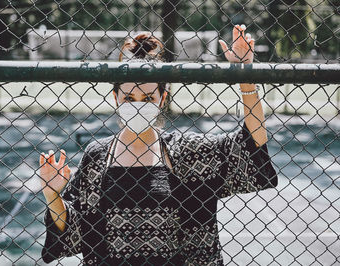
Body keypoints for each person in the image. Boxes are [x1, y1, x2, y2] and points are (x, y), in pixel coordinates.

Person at [39, 25, 278, 265]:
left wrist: (245, 75)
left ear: (162, 99)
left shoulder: (186, 152)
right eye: (129, 98)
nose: (138, 106)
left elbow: (250, 145)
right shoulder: (98, 156)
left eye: (148, 98)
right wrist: (52, 193)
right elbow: (75, 232)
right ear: (116, 98)